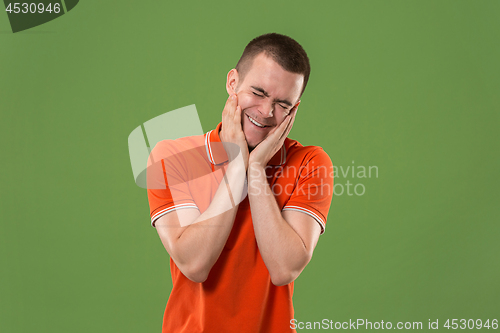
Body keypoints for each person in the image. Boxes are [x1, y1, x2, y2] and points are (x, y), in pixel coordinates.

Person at [147, 33, 334, 333]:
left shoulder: (310, 163)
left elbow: (284, 268)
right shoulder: (172, 157)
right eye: (258, 92)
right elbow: (194, 265)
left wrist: (256, 168)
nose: (266, 112)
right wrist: (237, 167)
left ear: (294, 110)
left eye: (282, 104)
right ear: (233, 82)